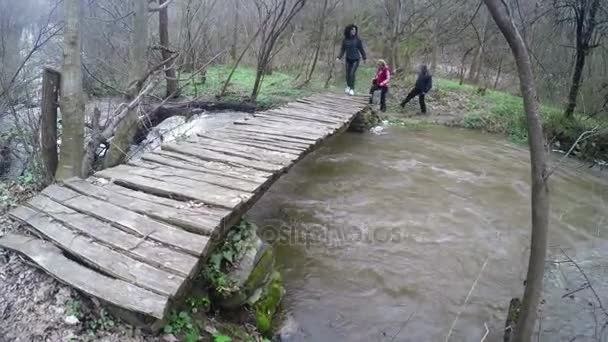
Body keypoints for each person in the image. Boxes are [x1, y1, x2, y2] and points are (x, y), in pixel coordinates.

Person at [337, 24, 367, 96]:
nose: (354, 31)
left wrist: (364, 57)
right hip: (348, 59)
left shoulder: (357, 40)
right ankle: (348, 86)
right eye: (352, 30)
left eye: (355, 30)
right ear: (349, 30)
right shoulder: (345, 40)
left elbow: (361, 49)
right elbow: (342, 50)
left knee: (352, 73)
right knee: (347, 74)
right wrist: (339, 57)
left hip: (356, 59)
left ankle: (352, 89)